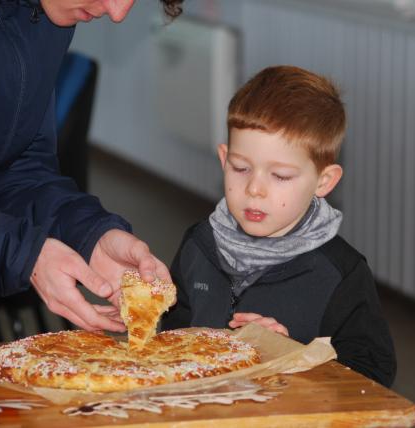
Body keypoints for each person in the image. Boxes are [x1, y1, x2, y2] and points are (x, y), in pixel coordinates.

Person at [0, 0, 183, 347]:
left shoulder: (44, 14)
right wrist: (20, 254)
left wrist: (88, 235)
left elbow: (14, 166)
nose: (117, 12)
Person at [161, 65, 397, 387]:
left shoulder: (340, 273)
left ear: (323, 181)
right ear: (224, 159)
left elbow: (373, 373)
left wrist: (291, 354)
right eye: (241, 168)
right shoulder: (199, 245)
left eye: (281, 176)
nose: (255, 189)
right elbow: (172, 334)